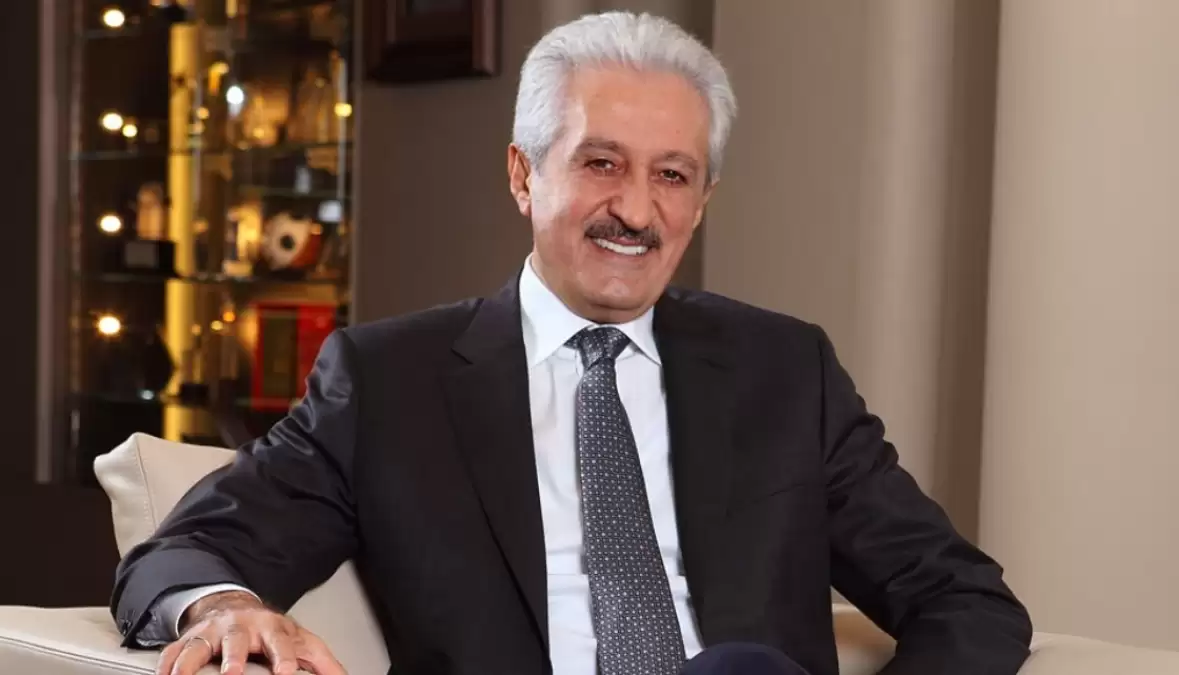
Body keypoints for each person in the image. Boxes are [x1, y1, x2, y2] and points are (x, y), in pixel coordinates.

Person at [113, 11, 1032, 675]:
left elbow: (963, 596)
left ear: (702, 200)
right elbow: (181, 552)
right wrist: (226, 608)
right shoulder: (390, 382)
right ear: (524, 173)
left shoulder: (784, 371)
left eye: (672, 175)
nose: (636, 210)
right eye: (601, 163)